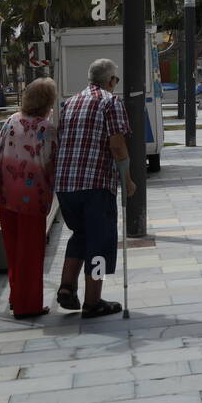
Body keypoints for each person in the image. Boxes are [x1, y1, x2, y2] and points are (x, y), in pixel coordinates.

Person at [52, 58, 133, 319]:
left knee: (81, 234)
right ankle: (93, 300)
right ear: (111, 81)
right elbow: (118, 145)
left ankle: (67, 287)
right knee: (99, 243)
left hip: (66, 184)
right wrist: (127, 180)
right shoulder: (110, 102)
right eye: (116, 80)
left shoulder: (70, 103)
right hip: (96, 183)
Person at [0, 78, 59, 319]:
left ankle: (15, 297)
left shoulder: (11, 120)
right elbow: (52, 163)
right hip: (32, 198)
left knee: (13, 250)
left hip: (5, 194)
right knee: (31, 253)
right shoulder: (46, 128)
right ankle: (28, 305)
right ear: (47, 101)